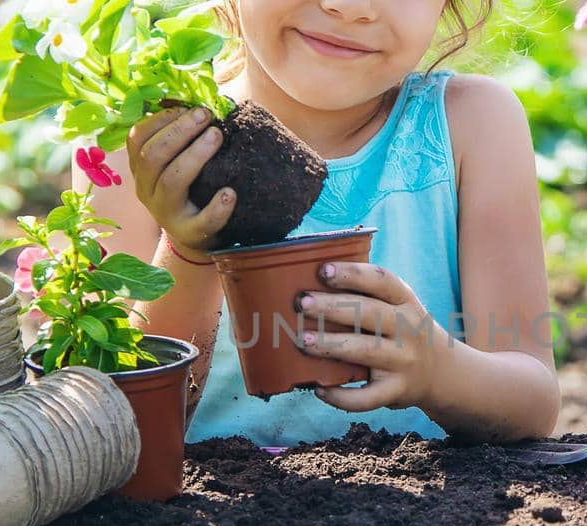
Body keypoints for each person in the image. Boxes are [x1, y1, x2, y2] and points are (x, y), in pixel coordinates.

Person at [91, 0, 559, 446]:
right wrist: (189, 252)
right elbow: (112, 421)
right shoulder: (142, 141)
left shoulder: (470, 125)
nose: (349, 6)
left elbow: (532, 402)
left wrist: (439, 371)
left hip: (424, 520)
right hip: (204, 522)